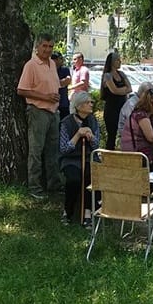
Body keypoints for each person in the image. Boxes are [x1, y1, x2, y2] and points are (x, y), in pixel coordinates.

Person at [16, 34, 63, 199]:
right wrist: (45, 97)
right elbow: (21, 90)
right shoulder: (31, 65)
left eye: (50, 46)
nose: (48, 50)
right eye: (45, 46)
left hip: (53, 112)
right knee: (36, 150)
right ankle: (34, 187)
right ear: (37, 47)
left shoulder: (52, 63)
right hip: (38, 111)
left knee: (53, 150)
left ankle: (54, 184)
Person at [59, 92, 100, 226]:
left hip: (89, 157)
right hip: (71, 159)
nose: (91, 104)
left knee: (90, 178)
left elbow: (96, 145)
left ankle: (87, 212)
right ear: (79, 106)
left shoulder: (93, 121)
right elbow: (64, 149)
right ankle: (67, 211)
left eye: (91, 102)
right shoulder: (66, 122)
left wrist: (91, 136)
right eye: (88, 102)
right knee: (74, 179)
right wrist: (77, 135)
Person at [100, 51, 132, 150]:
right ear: (112, 62)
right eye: (117, 60)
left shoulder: (122, 74)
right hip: (111, 109)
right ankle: (109, 155)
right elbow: (114, 90)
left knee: (125, 133)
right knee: (112, 135)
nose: (120, 62)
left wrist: (121, 90)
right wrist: (123, 89)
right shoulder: (107, 75)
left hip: (123, 108)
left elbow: (130, 88)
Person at [53, 52, 72, 120]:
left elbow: (68, 81)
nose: (62, 60)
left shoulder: (65, 69)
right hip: (52, 103)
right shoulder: (48, 70)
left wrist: (55, 84)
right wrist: (60, 83)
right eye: (60, 58)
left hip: (64, 103)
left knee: (65, 122)